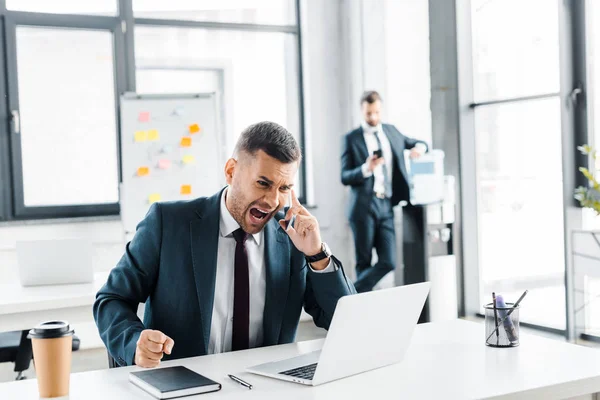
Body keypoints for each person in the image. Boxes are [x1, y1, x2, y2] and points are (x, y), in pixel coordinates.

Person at [94, 121, 355, 368]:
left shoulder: (291, 239)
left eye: (284, 188)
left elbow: (345, 323)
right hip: (185, 388)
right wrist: (133, 342)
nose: (273, 200)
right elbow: (112, 299)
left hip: (266, 390)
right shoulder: (168, 223)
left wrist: (316, 254)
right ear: (231, 171)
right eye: (263, 183)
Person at [341, 91, 428, 293]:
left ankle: (348, 293)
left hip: (386, 204)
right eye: (368, 113)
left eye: (376, 112)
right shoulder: (351, 139)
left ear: (381, 110)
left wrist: (419, 150)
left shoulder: (392, 132)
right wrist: (366, 168)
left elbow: (421, 143)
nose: (373, 117)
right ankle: (362, 309)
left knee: (389, 261)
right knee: (363, 263)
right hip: (362, 207)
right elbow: (344, 176)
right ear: (362, 111)